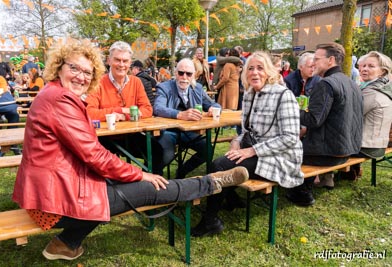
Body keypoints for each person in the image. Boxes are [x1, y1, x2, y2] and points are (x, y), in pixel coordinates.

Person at [12, 39, 249, 261]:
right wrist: (140, 173)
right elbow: (94, 154)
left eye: (86, 72)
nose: (81, 77)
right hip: (53, 202)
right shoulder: (60, 99)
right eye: (74, 68)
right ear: (59, 67)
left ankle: (65, 243)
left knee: (113, 180)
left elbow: (143, 112)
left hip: (51, 192)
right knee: (148, 188)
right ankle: (212, 182)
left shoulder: (54, 93)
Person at [191, 51, 304, 237]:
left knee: (220, 165)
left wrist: (252, 151)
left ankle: (210, 220)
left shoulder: (284, 95)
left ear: (269, 71)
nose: (255, 72)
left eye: (260, 68)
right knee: (222, 162)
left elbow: (291, 137)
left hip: (281, 158)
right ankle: (231, 199)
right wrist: (236, 143)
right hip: (257, 151)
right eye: (250, 68)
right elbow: (246, 132)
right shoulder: (250, 94)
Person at [286, 42, 363, 205]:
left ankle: (302, 192)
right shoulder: (351, 82)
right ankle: (304, 187)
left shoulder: (326, 83)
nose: (313, 63)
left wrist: (287, 110)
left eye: (316, 58)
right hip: (347, 150)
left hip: (329, 153)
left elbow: (313, 120)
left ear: (331, 60)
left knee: (285, 151)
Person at [86, 41, 156, 171]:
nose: (121, 65)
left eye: (125, 61)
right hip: (104, 138)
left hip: (131, 135)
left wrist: (125, 115)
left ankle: (148, 185)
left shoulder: (136, 82)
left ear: (130, 63)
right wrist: (118, 110)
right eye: (117, 60)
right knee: (102, 165)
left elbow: (147, 109)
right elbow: (89, 112)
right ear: (109, 61)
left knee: (160, 152)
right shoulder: (98, 83)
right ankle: (116, 188)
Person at [153, 58, 221, 178]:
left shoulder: (197, 88)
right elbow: (158, 108)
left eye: (188, 74)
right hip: (169, 131)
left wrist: (213, 109)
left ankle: (182, 171)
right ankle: (154, 179)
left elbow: (214, 104)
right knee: (165, 155)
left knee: (207, 149)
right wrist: (180, 115)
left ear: (194, 75)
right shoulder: (164, 87)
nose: (184, 77)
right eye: (181, 73)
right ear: (175, 73)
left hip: (190, 132)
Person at [341, 51, 392, 180]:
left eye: (371, 66)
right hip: (377, 142)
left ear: (382, 71)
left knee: (320, 144)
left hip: (368, 146)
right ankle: (350, 171)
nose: (364, 69)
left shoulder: (373, 92)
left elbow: (348, 115)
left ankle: (307, 186)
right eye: (363, 66)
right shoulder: (382, 87)